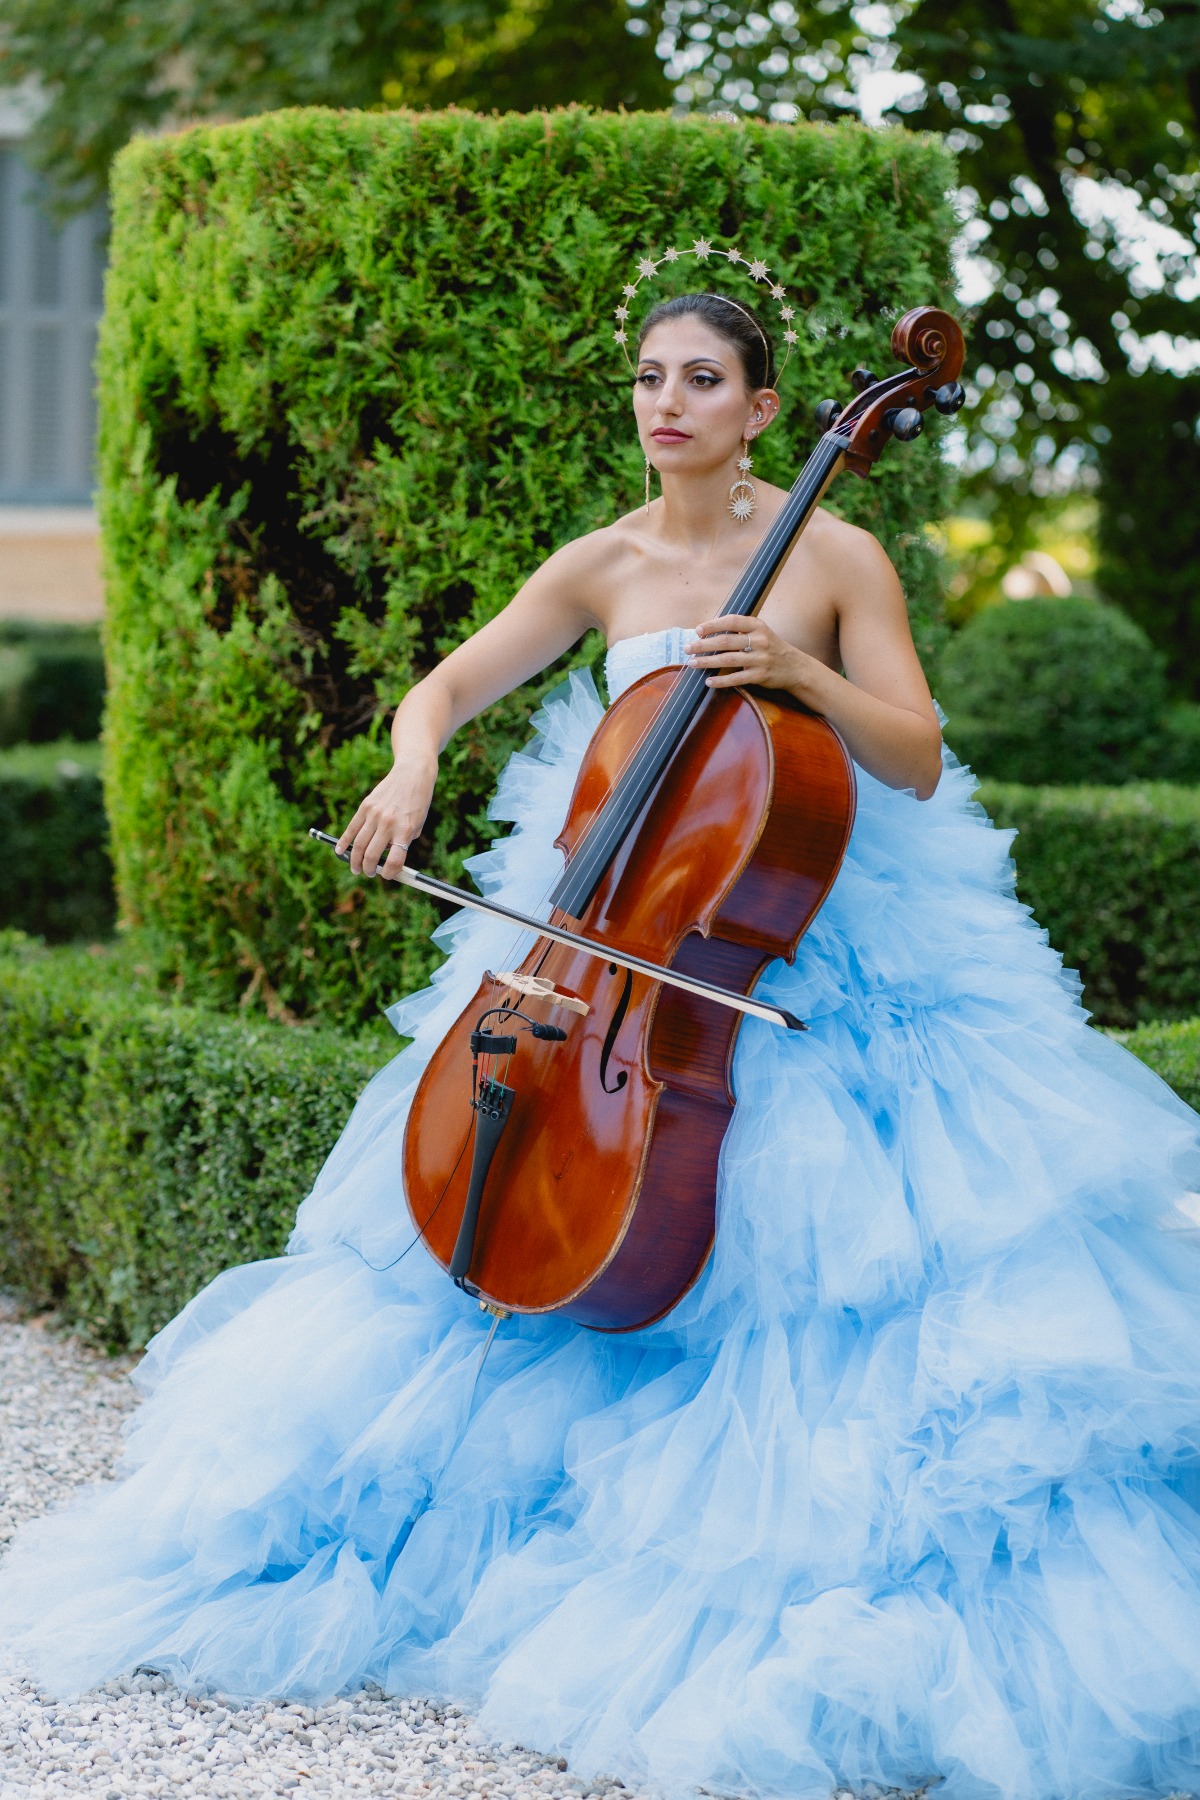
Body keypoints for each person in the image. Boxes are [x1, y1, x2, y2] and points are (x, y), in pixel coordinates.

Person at [3, 271, 1200, 1800]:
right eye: (649, 377)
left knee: (829, 1262)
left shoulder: (834, 553)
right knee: (512, 1203)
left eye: (702, 381)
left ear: (763, 410)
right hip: (615, 923)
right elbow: (446, 686)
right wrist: (411, 770)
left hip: (810, 939)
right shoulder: (608, 563)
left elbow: (909, 755)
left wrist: (803, 672)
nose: (666, 404)